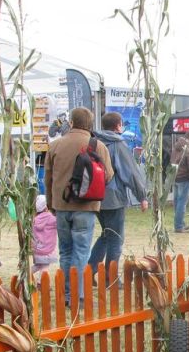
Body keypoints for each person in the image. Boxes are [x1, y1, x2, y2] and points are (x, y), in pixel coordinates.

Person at [44, 107, 115, 305]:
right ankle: (79, 295)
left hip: (61, 206)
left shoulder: (55, 145)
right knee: (82, 251)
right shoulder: (98, 146)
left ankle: (68, 294)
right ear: (91, 124)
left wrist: (51, 203)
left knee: (65, 251)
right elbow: (108, 175)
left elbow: (47, 179)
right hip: (86, 206)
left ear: (72, 123)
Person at [87, 112, 148, 286]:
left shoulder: (93, 141)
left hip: (94, 196)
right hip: (113, 197)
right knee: (115, 238)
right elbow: (130, 172)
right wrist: (142, 196)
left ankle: (89, 270)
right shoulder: (118, 144)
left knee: (106, 235)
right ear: (118, 125)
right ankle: (110, 277)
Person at [171, 130, 189, 233]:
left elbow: (172, 161)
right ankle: (179, 226)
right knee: (182, 203)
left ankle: (180, 223)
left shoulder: (175, 147)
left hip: (175, 176)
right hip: (184, 178)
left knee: (177, 202)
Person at [32, 195, 57, 283]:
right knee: (45, 266)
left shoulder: (35, 219)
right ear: (47, 206)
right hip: (48, 249)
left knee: (38, 265)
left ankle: (26, 274)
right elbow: (60, 223)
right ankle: (41, 282)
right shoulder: (51, 218)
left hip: (38, 248)